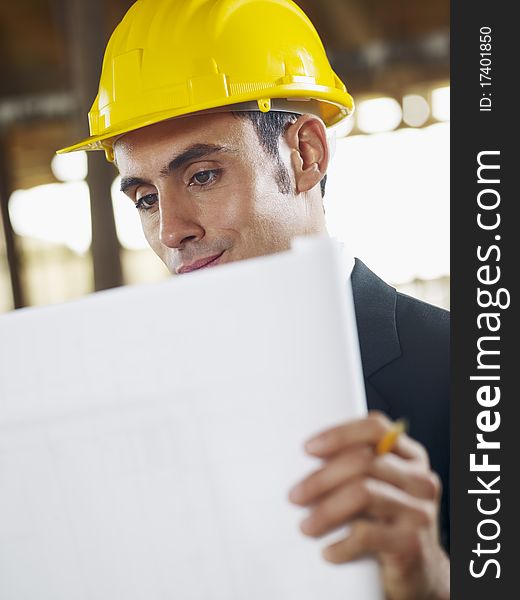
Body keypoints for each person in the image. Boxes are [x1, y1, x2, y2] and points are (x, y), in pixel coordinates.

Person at [59, 1, 450, 598]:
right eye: (144, 197)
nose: (171, 230)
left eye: (203, 175)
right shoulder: (139, 413)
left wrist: (431, 582)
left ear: (305, 155)